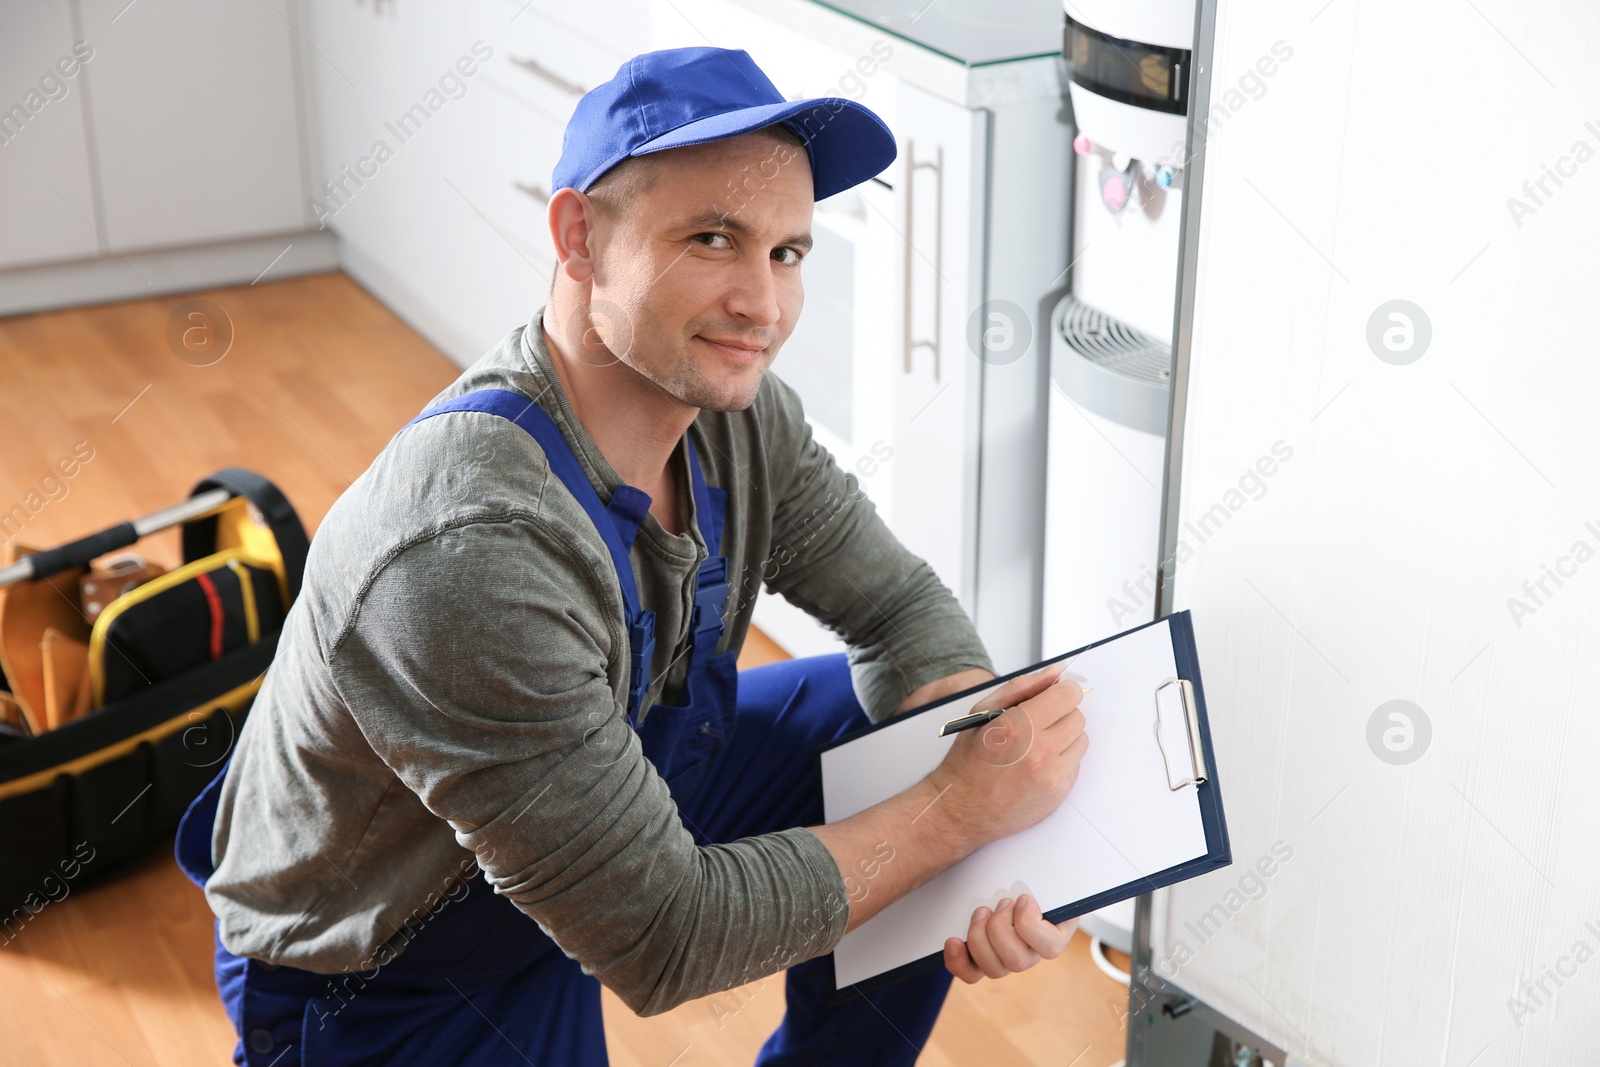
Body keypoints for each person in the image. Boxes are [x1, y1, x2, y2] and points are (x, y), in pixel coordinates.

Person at [176, 45, 1089, 1067]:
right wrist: (955, 811)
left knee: (899, 724)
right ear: (579, 236)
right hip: (396, 965)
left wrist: (989, 848)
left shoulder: (738, 422)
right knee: (931, 793)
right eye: (712, 238)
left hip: (600, 813)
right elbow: (664, 938)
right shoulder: (468, 551)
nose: (765, 305)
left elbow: (898, 608)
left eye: (788, 252)